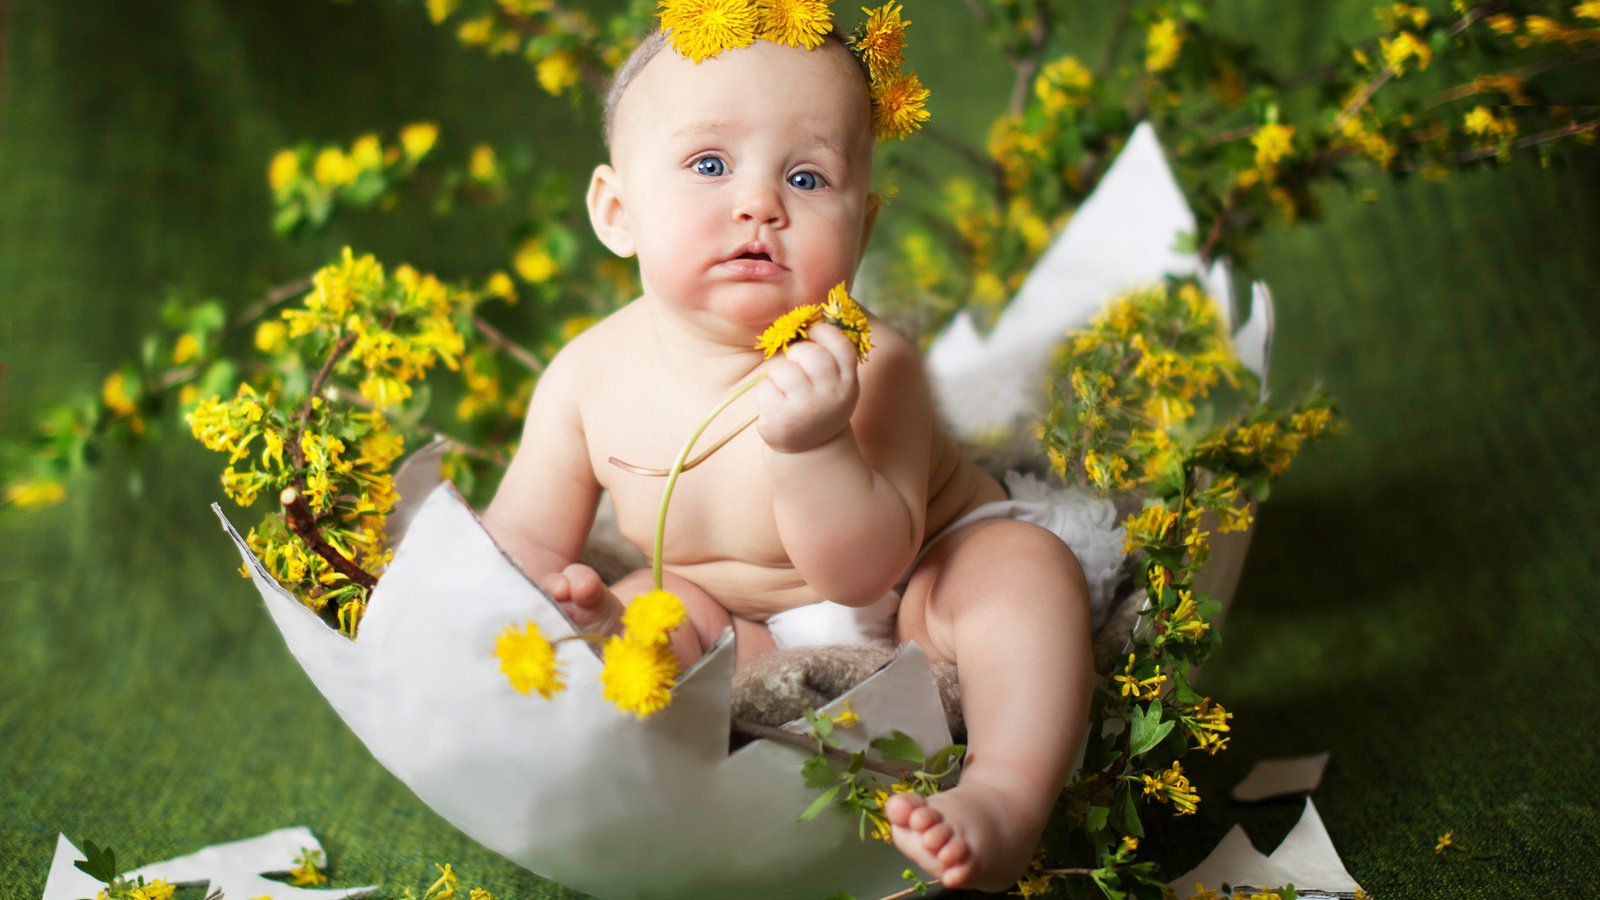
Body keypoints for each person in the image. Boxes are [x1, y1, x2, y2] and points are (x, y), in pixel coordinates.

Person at [483, 26, 1101, 893]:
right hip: (739, 623)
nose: (759, 206)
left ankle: (1002, 796)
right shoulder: (586, 376)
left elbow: (864, 570)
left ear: (864, 224)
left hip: (917, 587)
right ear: (615, 211)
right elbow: (522, 538)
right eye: (708, 165)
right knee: (641, 607)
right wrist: (547, 607)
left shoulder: (872, 363)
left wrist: (816, 444)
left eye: (806, 179)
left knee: (1025, 572)